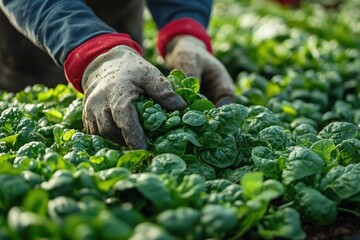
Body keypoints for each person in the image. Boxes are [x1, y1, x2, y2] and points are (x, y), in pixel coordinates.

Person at [0, 0, 236, 149]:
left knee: (126, 112)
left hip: (120, 24)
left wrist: (184, 29)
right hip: (32, 34)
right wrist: (96, 52)